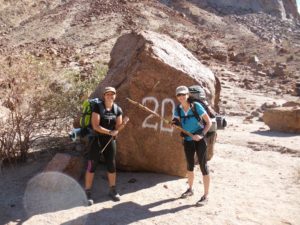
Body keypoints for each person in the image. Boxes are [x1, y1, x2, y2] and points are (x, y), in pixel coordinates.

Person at [84, 86, 128, 204]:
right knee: (91, 165)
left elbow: (117, 127)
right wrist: (109, 132)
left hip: (110, 141)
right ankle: (87, 192)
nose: (110, 96)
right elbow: (95, 126)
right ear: (104, 96)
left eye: (112, 94)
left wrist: (123, 124)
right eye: (107, 94)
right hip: (96, 140)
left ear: (115, 95)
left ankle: (112, 190)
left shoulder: (117, 109)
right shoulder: (97, 107)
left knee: (111, 165)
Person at [172, 85, 212, 206]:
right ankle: (190, 189)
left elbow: (208, 122)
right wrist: (173, 124)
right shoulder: (177, 109)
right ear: (176, 96)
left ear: (188, 95)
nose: (181, 97)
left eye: (183, 94)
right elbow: (176, 122)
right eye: (179, 95)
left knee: (203, 166)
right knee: (189, 165)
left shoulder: (196, 106)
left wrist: (201, 135)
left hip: (199, 139)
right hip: (188, 139)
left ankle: (206, 196)